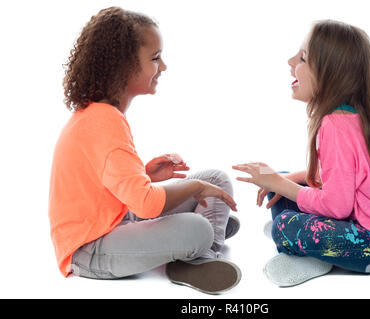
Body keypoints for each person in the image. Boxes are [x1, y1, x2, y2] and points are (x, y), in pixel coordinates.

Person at [48, 7, 241, 295]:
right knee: (197, 226)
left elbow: (109, 184)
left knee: (216, 179)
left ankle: (200, 254)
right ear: (122, 67)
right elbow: (147, 205)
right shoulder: (104, 120)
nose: (163, 67)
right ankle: (203, 242)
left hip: (117, 220)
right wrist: (193, 187)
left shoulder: (98, 115)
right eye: (155, 58)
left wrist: (146, 174)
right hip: (89, 249)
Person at [233, 20, 370, 286]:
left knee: (283, 224)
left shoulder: (335, 125)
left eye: (302, 58)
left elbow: (336, 206)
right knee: (287, 184)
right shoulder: (354, 116)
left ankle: (308, 252)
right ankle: (305, 243)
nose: (290, 62)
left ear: (331, 73)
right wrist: (281, 178)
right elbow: (341, 179)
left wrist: (278, 183)